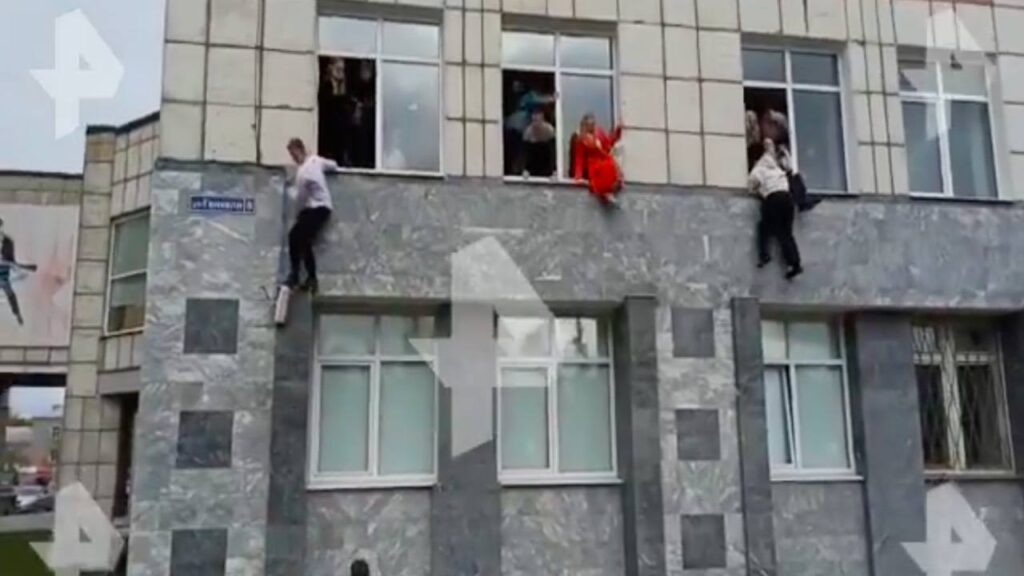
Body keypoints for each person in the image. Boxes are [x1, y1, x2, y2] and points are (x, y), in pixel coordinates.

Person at [286, 138, 337, 293]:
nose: (293, 158)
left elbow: (300, 199)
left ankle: (297, 275)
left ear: (299, 150)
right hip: (322, 206)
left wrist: (296, 215)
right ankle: (309, 277)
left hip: (317, 208)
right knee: (303, 239)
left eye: (293, 154)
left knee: (294, 236)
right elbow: (332, 165)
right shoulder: (316, 160)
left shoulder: (302, 173)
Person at [749, 139, 802, 279]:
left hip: (773, 198)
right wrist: (785, 152)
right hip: (787, 198)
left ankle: (764, 255)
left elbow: (752, 184)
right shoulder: (778, 167)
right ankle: (795, 263)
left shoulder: (759, 168)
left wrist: (758, 191)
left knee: (764, 227)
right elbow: (790, 169)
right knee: (786, 233)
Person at [570, 113, 623, 206]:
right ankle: (605, 191)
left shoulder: (599, 132)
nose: (592, 127)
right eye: (589, 125)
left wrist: (617, 131)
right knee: (604, 168)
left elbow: (608, 144)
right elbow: (579, 159)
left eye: (593, 124)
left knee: (610, 166)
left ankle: (610, 190)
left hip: (604, 160)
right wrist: (578, 177)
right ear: (585, 125)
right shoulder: (581, 139)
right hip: (594, 164)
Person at [318, 57, 357, 166]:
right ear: (330, 68)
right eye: (337, 69)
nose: (340, 72)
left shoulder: (345, 90)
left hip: (341, 132)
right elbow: (328, 103)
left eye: (342, 69)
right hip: (327, 130)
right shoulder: (325, 87)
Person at [0, 218, 25, 325]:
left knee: (10, 293)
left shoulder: (8, 242)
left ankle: (17, 314)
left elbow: (11, 261)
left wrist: (15, 267)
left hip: (3, 273)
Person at [521, 108, 556, 177]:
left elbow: (553, 152)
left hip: (546, 163)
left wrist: (554, 170)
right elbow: (525, 154)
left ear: (542, 118)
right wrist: (525, 169)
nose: (535, 118)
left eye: (537, 118)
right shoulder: (528, 132)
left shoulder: (549, 130)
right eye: (534, 119)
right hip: (533, 165)